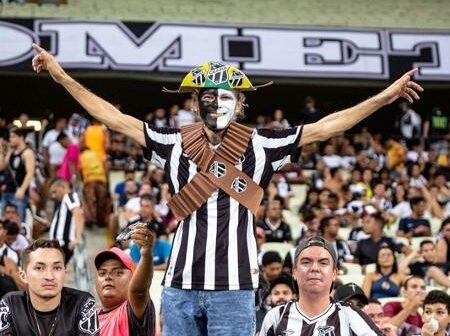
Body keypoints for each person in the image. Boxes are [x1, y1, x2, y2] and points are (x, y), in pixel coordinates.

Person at [31, 43, 423, 336]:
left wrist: (387, 96)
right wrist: (61, 75)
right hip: (180, 286)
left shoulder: (263, 145)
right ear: (196, 103)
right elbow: (113, 118)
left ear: (240, 106)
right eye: (207, 97)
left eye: (225, 98)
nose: (215, 104)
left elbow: (328, 127)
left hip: (235, 289)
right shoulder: (172, 143)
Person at [260, 236, 383, 335]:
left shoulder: (350, 315)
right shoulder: (276, 316)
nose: (314, 268)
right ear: (294, 272)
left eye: (323, 263)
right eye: (306, 262)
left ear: (334, 273)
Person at [0, 239, 99, 335]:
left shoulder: (82, 303)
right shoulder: (11, 304)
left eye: (57, 268)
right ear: (23, 276)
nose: (49, 276)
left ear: (65, 272)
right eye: (39, 268)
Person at [94, 223, 155, 336]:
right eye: (102, 273)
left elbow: (139, 291)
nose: (108, 277)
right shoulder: (87, 320)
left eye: (118, 272)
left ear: (133, 277)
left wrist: (146, 254)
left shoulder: (131, 310)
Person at [0, 127, 35, 222]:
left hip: (19, 192)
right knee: (2, 220)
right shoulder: (12, 152)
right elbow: (2, 166)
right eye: (10, 137)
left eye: (13, 137)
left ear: (21, 137)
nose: (10, 139)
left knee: (18, 220)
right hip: (7, 191)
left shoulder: (27, 153)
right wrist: (2, 151)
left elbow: (30, 172)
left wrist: (23, 189)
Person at [48, 178, 84, 264]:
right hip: (59, 244)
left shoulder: (69, 196)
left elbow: (78, 213)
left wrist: (78, 238)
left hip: (64, 243)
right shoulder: (64, 201)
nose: (54, 196)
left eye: (55, 191)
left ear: (62, 187)